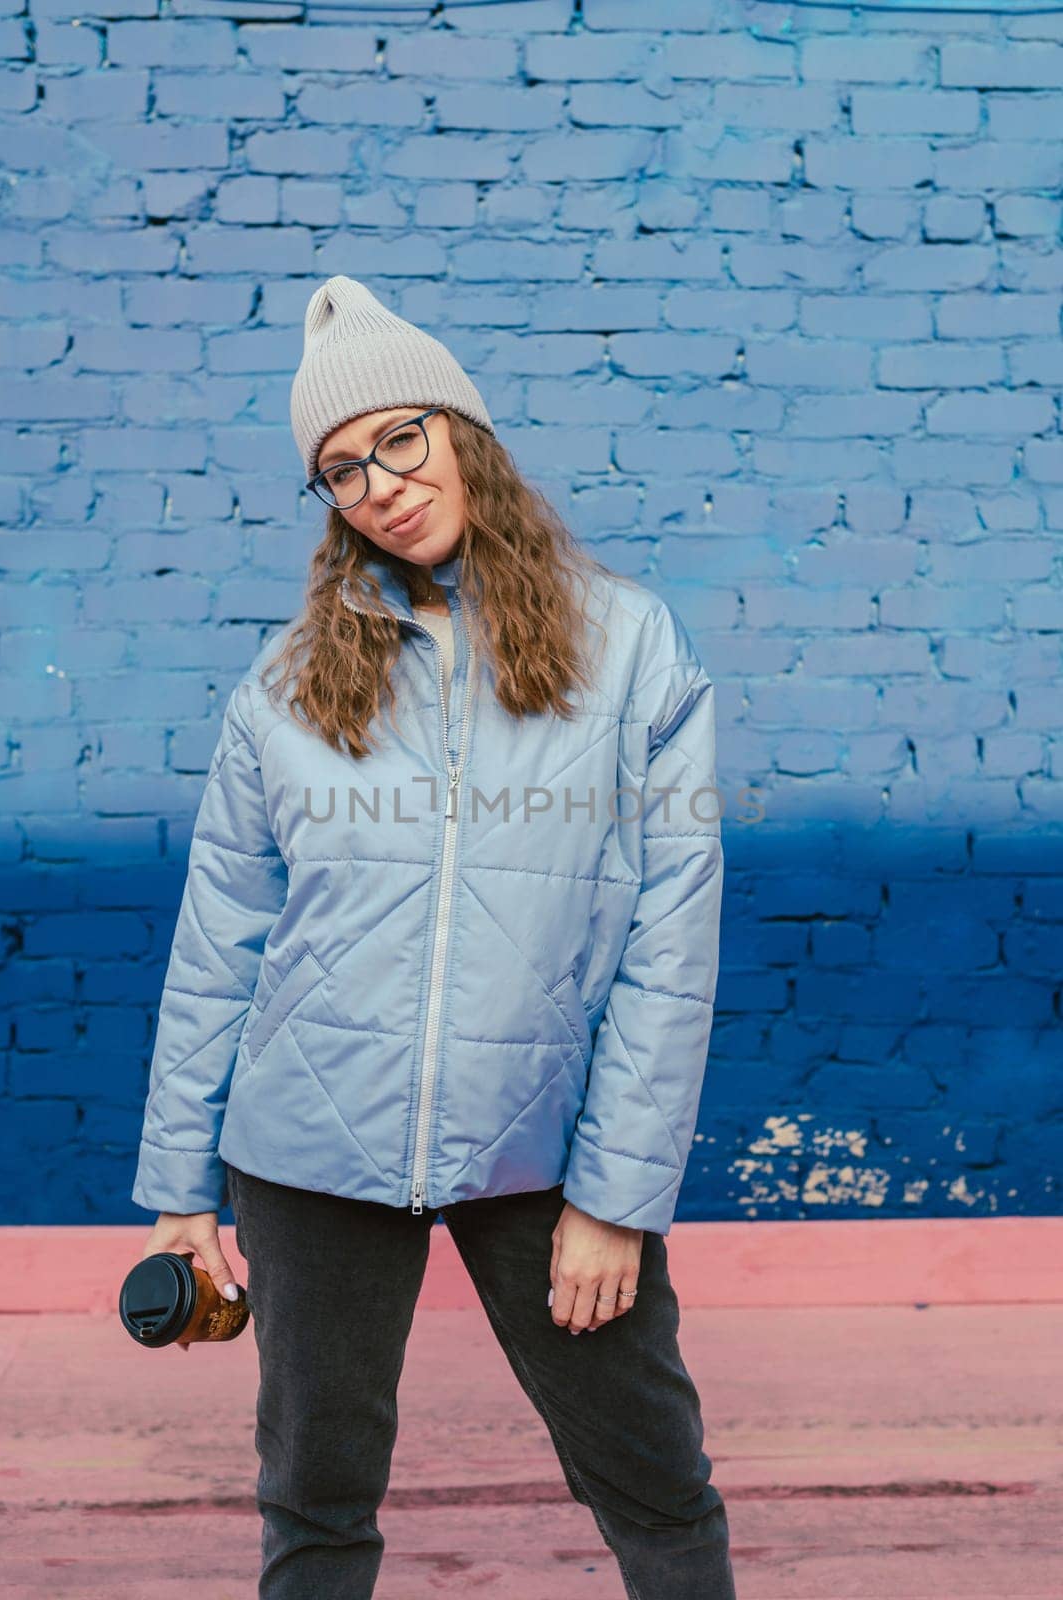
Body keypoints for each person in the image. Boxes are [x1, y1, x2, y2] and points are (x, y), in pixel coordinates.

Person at [132, 275, 735, 1600]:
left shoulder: (632, 650)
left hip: (544, 1142)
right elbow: (220, 940)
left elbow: (671, 944)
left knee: (656, 1485)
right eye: (341, 469)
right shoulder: (287, 686)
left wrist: (615, 1199)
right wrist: (182, 1190)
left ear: (463, 433)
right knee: (316, 1505)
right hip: (309, 1149)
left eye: (399, 438)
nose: (380, 484)